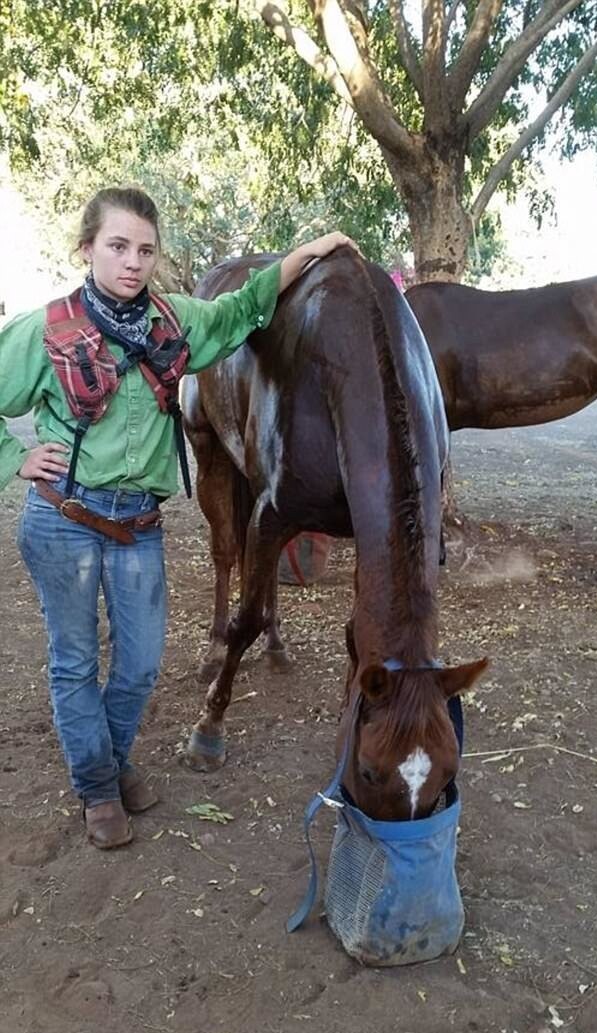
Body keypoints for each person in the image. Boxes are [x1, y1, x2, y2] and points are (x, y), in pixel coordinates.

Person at [0, 185, 359, 850]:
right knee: (75, 665)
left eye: (143, 249)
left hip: (138, 523)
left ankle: (108, 762)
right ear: (87, 249)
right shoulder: (47, 326)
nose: (132, 261)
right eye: (116, 246)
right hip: (63, 518)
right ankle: (100, 785)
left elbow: (245, 308)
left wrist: (309, 251)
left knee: (138, 665)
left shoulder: (174, 321)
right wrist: (12, 459)